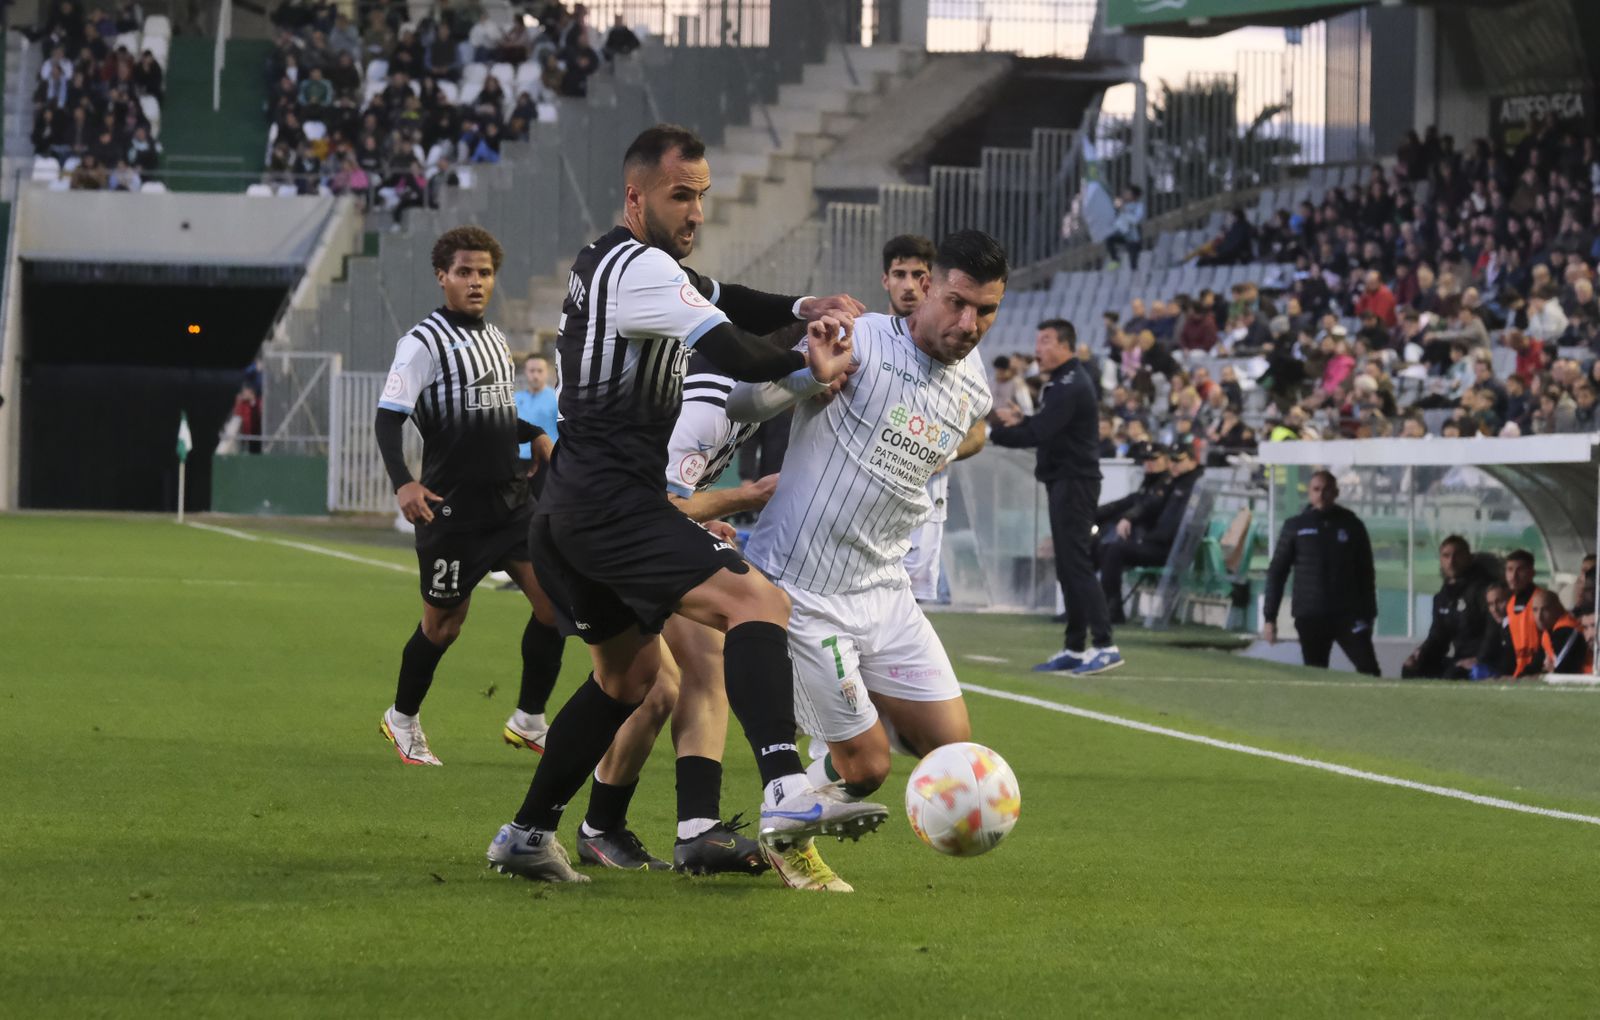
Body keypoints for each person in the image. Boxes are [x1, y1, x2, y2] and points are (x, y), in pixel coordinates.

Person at [484, 124, 878, 884]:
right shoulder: (639, 272)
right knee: (756, 602)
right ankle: (787, 790)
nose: (696, 212)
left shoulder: (620, 261)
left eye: (701, 196)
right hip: (614, 505)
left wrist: (803, 304)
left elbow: (726, 295)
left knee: (626, 683)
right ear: (636, 198)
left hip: (568, 511)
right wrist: (808, 360)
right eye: (679, 196)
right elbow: (730, 343)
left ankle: (528, 833)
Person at [736, 230, 1000, 891]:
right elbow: (741, 404)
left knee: (955, 753)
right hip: (804, 588)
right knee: (866, 768)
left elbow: (976, 424)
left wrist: (951, 452)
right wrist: (806, 378)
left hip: (886, 591)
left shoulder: (971, 379)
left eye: (986, 311)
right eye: (957, 302)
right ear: (927, 288)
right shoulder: (858, 340)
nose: (969, 324)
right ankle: (786, 829)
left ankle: (792, 808)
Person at [373, 226, 566, 766]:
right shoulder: (421, 343)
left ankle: (529, 719)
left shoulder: (496, 340)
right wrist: (403, 482)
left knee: (554, 608)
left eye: (484, 273)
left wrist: (536, 435)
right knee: (444, 625)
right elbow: (388, 420)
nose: (476, 282)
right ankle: (402, 717)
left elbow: (496, 419)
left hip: (510, 503)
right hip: (451, 510)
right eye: (464, 272)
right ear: (442, 276)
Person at [990, 319, 1122, 675]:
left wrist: (992, 432)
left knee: (1076, 563)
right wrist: (1022, 419)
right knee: (1067, 564)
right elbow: (1044, 425)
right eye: (1037, 341)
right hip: (1064, 479)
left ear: (1066, 346)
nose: (1038, 349)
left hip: (1075, 481)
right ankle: (1075, 647)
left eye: (1046, 341)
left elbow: (1039, 433)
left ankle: (1105, 644)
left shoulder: (1069, 384)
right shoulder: (1062, 383)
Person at [877, 233, 951, 603]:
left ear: (930, 281)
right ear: (885, 280)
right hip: (869, 494)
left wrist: (944, 451)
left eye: (917, 274)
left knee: (913, 607)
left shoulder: (958, 345)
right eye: (899, 274)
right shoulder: (865, 335)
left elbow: (979, 430)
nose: (908, 286)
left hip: (926, 500)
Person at [1261, 470, 1380, 676]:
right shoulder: (1296, 526)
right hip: (1310, 614)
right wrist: (1270, 617)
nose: (1321, 495)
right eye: (1316, 490)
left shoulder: (1352, 525)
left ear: (1336, 492)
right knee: (1316, 671)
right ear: (1309, 493)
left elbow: (1366, 573)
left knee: (1369, 668)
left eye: (1326, 490)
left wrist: (1369, 614)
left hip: (1348, 614)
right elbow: (1277, 573)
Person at [1099, 444, 1203, 622]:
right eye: (1172, 460)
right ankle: (1101, 605)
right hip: (1159, 544)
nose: (1174, 465)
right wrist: (1130, 518)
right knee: (1107, 548)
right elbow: (1150, 505)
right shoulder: (1174, 482)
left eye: (1179, 460)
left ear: (1193, 461)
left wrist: (1149, 538)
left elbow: (1181, 526)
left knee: (1115, 550)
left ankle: (1113, 609)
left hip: (1172, 549)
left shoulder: (1197, 485)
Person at [1401, 535, 1493, 679]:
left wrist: (1479, 658)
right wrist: (1419, 655)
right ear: (1441, 560)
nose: (1451, 561)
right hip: (1459, 659)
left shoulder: (1483, 591)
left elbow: (1493, 631)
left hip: (1484, 660)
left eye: (1457, 555)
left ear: (1468, 557)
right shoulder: (1442, 597)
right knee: (1411, 669)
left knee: (1453, 675)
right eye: (1446, 556)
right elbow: (1438, 637)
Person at [1501, 548, 1544, 678]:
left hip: (1538, 671)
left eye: (1520, 569)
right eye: (1510, 569)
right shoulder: (1510, 604)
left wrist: (1531, 670)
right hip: (1519, 672)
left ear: (1532, 573)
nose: (1513, 576)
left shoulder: (1541, 599)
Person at [513, 353, 558, 471]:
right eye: (532, 371)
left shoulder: (556, 399)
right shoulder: (514, 399)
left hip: (547, 459)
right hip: (518, 460)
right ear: (525, 372)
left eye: (540, 371)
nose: (535, 375)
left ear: (547, 372)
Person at [1462, 582, 1515, 680]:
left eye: (1499, 602)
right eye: (1490, 604)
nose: (1494, 609)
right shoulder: (1495, 625)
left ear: (1510, 599)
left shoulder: (1518, 626)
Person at [1531, 589, 1589, 675]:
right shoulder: (1547, 633)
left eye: (1545, 609)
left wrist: (1547, 670)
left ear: (1557, 608)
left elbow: (1562, 669)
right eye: (1535, 610)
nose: (1539, 617)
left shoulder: (1567, 630)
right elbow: (1537, 663)